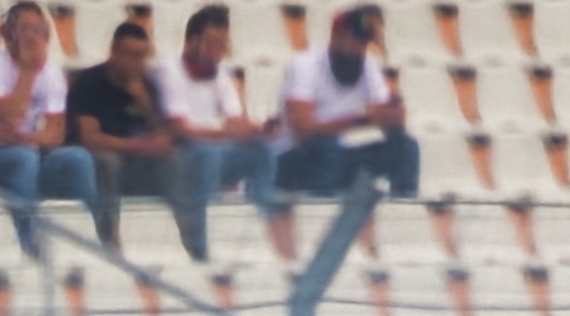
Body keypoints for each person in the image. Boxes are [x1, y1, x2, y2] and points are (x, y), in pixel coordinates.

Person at [0, 0, 97, 257]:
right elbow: (6, 120)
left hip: (27, 154)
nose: (33, 37)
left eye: (38, 30)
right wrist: (28, 72)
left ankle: (97, 234)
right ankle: (28, 239)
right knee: (22, 158)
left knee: (77, 158)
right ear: (7, 33)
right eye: (26, 29)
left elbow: (56, 133)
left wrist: (28, 138)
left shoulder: (51, 71)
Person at [155, 4, 290, 261]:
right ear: (192, 40)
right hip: (181, 154)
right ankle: (199, 246)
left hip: (214, 148)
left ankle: (263, 220)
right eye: (212, 43)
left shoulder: (220, 72)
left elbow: (235, 120)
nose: (218, 50)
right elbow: (181, 128)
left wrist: (258, 130)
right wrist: (227, 134)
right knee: (208, 154)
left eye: (222, 43)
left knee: (262, 152)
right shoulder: (169, 71)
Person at [273, 4, 419, 198]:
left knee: (406, 146)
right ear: (337, 36)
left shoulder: (368, 66)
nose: (358, 50)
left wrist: (393, 114)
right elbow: (303, 130)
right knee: (326, 147)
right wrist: (362, 119)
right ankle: (322, 210)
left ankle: (404, 208)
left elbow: (390, 119)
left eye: (364, 42)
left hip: (341, 154)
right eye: (354, 40)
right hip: (294, 160)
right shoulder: (305, 65)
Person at [67, 21, 177, 253]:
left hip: (137, 164)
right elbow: (90, 139)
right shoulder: (89, 82)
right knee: (108, 162)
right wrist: (140, 145)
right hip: (95, 164)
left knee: (180, 161)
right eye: (132, 55)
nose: (138, 63)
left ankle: (187, 236)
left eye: (142, 56)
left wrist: (143, 100)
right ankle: (110, 239)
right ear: (114, 53)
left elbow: (163, 137)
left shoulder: (146, 84)